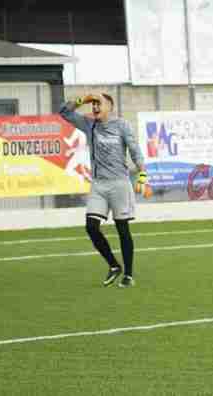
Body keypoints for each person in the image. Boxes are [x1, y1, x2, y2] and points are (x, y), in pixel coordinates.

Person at [60, 93, 149, 287]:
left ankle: (128, 275)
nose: (95, 107)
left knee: (122, 229)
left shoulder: (122, 126)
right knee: (91, 227)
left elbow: (134, 149)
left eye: (98, 103)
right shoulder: (89, 124)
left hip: (119, 183)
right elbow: (64, 112)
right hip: (99, 185)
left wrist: (142, 174)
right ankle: (113, 265)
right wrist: (81, 100)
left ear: (110, 106)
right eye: (93, 105)